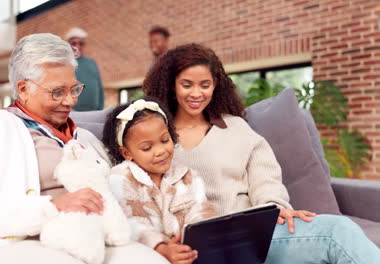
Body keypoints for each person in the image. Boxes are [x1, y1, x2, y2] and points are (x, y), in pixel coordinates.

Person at [0, 33, 169, 264]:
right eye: (57, 92)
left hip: (96, 238)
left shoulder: (86, 139)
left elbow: (118, 205)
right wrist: (51, 207)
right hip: (9, 244)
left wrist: (156, 243)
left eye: (74, 89)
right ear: (23, 88)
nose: (70, 100)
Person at [143, 43, 380, 263]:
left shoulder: (235, 127)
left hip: (255, 234)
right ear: (171, 84)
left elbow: (265, 178)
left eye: (205, 85)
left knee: (337, 230)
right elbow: (137, 197)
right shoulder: (152, 137)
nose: (196, 94)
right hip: (197, 244)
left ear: (216, 85)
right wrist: (161, 245)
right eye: (187, 85)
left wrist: (275, 206)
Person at [102, 98, 217, 264]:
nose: (160, 151)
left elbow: (201, 211)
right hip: (148, 255)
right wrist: (162, 248)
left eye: (164, 140)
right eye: (147, 148)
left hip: (189, 252)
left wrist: (194, 241)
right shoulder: (120, 179)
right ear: (127, 153)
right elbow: (133, 222)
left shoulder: (189, 176)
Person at [65, 27, 104, 111]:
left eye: (81, 43)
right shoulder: (65, 63)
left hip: (94, 110)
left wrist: (100, 108)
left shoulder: (92, 62)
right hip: (73, 111)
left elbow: (100, 87)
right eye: (74, 43)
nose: (77, 46)